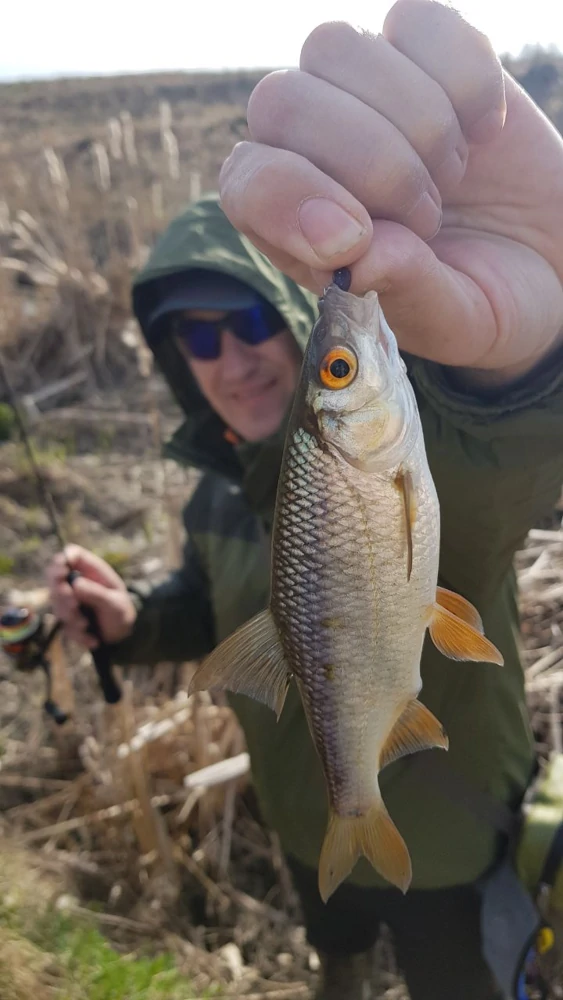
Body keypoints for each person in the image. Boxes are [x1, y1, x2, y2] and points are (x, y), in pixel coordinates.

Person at [48, 2, 563, 997]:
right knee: (336, 960)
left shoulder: (418, 456)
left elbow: (496, 466)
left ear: (286, 317)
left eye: (243, 319)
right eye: (193, 339)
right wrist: (133, 622)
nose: (228, 357)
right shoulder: (212, 491)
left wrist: (511, 372)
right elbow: (216, 609)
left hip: (451, 840)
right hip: (307, 811)